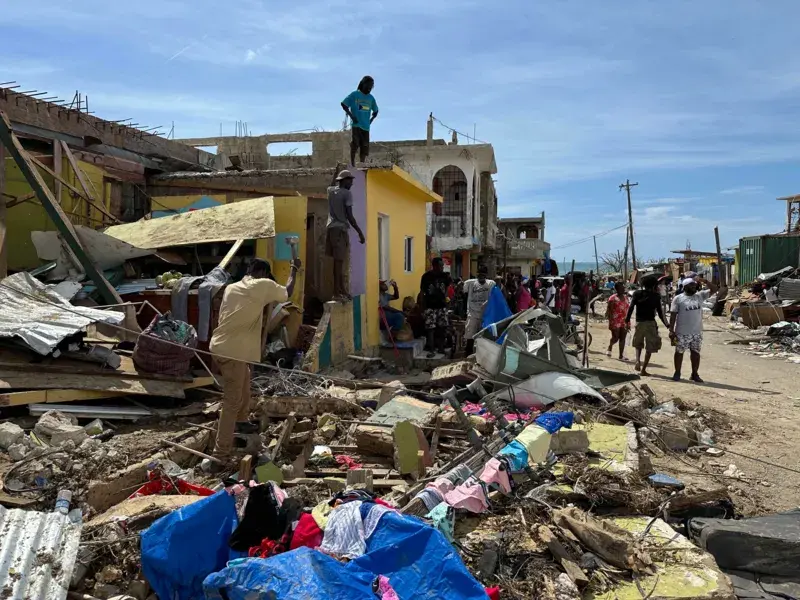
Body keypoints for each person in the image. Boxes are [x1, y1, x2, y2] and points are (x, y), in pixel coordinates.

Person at [210, 258, 300, 457]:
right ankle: (220, 452)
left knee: (245, 377)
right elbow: (287, 292)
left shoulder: (231, 287)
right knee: (232, 400)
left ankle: (241, 421)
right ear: (262, 273)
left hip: (221, 346)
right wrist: (294, 269)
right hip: (232, 351)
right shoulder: (262, 284)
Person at [669, 277, 718, 382]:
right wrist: (671, 330)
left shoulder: (700, 296)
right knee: (679, 352)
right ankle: (677, 372)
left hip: (697, 332)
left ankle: (694, 374)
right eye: (691, 285)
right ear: (685, 287)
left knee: (695, 353)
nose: (694, 286)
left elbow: (715, 289)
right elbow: (673, 315)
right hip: (682, 332)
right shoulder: (678, 298)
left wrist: (705, 281)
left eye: (694, 285)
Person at [326, 169, 365, 301]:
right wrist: (360, 232)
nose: (352, 183)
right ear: (344, 181)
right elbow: (350, 216)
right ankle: (338, 292)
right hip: (340, 230)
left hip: (331, 230)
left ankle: (339, 290)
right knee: (339, 263)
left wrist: (337, 174)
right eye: (350, 180)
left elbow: (332, 184)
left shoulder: (330, 191)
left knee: (337, 263)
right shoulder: (347, 194)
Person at [626, 277, 669, 376]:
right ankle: (643, 369)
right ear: (654, 285)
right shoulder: (656, 296)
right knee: (649, 347)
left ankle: (637, 360)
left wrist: (627, 321)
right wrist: (667, 325)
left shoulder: (637, 293)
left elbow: (631, 308)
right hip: (650, 323)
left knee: (638, 343)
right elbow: (660, 313)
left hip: (639, 323)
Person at [341, 76, 379, 165]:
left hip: (366, 127)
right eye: (368, 86)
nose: (369, 88)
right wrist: (352, 116)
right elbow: (343, 104)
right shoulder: (355, 95)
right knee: (355, 143)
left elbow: (376, 111)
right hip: (356, 125)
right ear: (363, 84)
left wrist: (371, 120)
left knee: (364, 146)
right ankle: (353, 162)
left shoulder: (371, 98)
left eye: (371, 87)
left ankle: (362, 163)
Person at [420, 257, 452, 357]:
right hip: (430, 305)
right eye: (441, 265)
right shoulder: (426, 276)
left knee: (442, 327)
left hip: (442, 305)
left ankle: (441, 348)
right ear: (435, 266)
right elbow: (422, 292)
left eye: (443, 265)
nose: (442, 267)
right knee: (430, 328)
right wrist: (422, 306)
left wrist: (447, 301)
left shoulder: (445, 276)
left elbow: (447, 289)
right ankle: (432, 349)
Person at [462, 268, 495, 355]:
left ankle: (482, 355)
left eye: (483, 275)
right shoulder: (470, 283)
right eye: (479, 274)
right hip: (472, 313)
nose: (481, 276)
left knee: (484, 337)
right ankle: (468, 354)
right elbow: (463, 294)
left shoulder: (491, 284)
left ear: (486, 276)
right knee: (470, 336)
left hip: (485, 315)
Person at [606, 282, 630, 360]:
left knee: (623, 338)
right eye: (621, 288)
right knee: (615, 338)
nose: (623, 289)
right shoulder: (612, 299)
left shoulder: (626, 298)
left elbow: (627, 309)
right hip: (615, 321)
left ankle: (621, 355)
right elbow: (609, 312)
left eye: (623, 288)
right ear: (617, 289)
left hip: (624, 320)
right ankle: (610, 346)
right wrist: (610, 322)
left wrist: (628, 322)